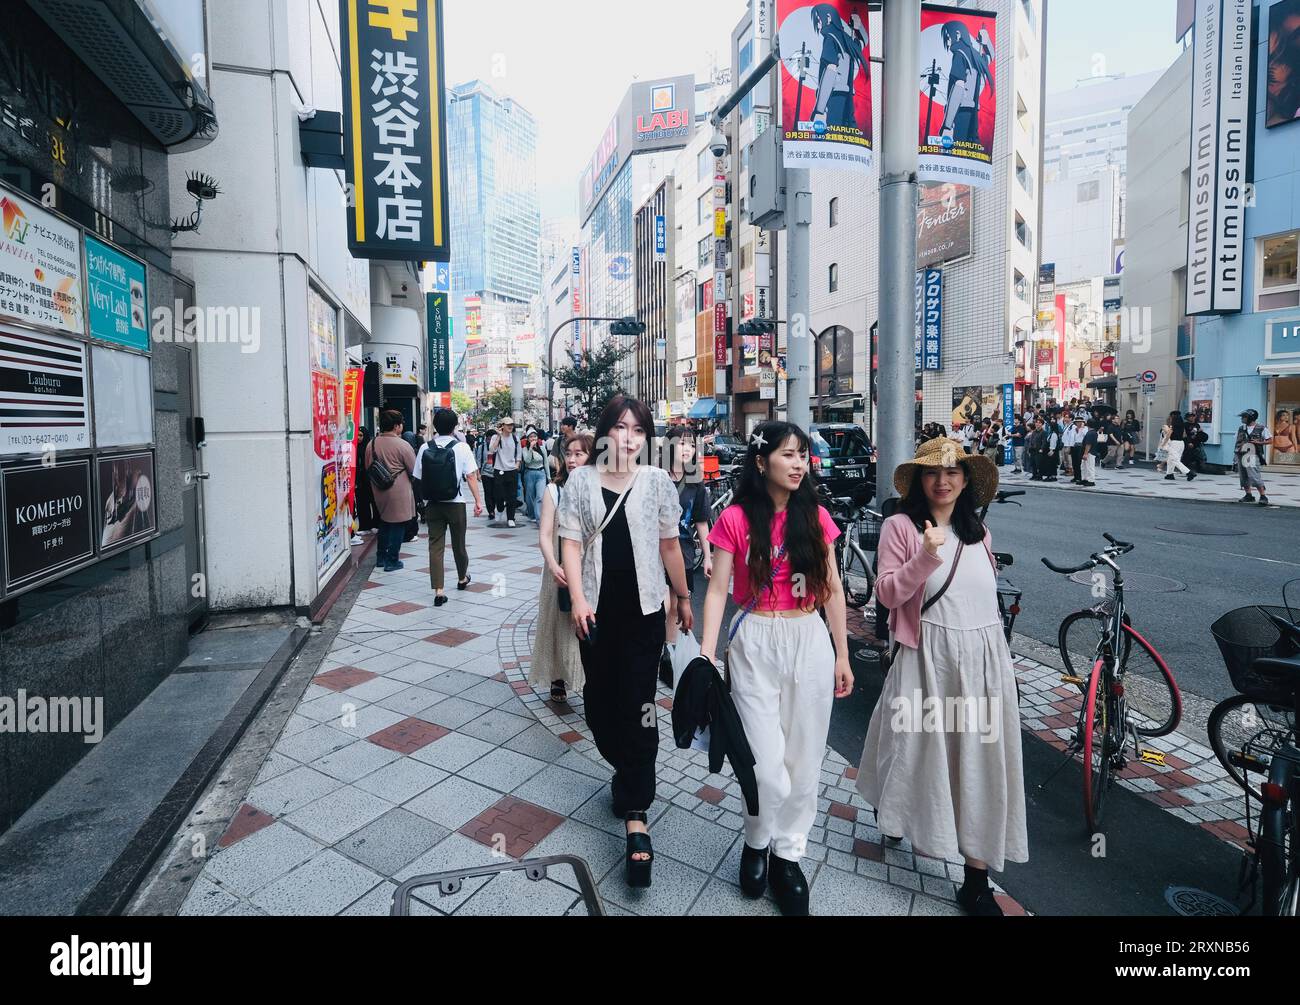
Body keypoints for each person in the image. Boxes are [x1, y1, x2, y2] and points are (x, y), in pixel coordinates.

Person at [856, 436, 1027, 916]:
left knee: (979, 761)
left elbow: (984, 600)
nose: (944, 480)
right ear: (920, 481)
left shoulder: (980, 533)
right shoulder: (900, 526)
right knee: (911, 748)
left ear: (967, 480)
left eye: (953, 472)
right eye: (933, 472)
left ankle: (975, 879)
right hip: (926, 655)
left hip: (983, 661)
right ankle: (893, 812)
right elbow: (887, 595)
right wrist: (926, 555)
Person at [699, 421, 853, 916]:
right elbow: (718, 590)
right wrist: (706, 654)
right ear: (762, 462)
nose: (798, 463)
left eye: (803, 455)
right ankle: (756, 838)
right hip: (754, 640)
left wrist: (843, 653)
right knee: (766, 768)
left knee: (805, 761)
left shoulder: (817, 517)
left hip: (808, 638)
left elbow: (832, 587)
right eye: (788, 454)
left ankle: (788, 854)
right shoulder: (736, 519)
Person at [558, 395, 692, 889]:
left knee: (639, 703)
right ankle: (625, 771)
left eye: (638, 430)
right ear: (604, 434)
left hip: (644, 613)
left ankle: (637, 818)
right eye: (620, 427)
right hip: (595, 610)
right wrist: (576, 598)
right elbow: (570, 542)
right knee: (599, 702)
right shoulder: (580, 481)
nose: (629, 438)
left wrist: (682, 595)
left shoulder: (657, 481)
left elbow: (669, 544)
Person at [531, 432, 593, 703]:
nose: (572, 459)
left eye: (579, 454)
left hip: (590, 567)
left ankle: (589, 676)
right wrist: (553, 564)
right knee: (558, 621)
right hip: (559, 568)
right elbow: (545, 534)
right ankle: (558, 677)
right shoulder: (554, 490)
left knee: (586, 621)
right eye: (568, 454)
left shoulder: (599, 489)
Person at [414, 408, 484, 606]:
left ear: (435, 426)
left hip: (433, 504)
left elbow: (417, 478)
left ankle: (439, 590)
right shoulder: (461, 448)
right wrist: (478, 502)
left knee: (435, 547)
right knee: (458, 544)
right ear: (455, 426)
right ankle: (462, 578)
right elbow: (471, 476)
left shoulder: (425, 447)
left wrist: (422, 503)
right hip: (455, 504)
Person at [661, 428, 713, 679]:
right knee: (664, 603)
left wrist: (708, 556)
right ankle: (658, 647)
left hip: (683, 551)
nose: (687, 449)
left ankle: (668, 652)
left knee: (674, 607)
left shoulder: (695, 481)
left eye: (691, 445)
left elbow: (701, 521)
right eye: (681, 443)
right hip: (655, 549)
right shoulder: (656, 475)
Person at [365, 409, 418, 572]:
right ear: (396, 426)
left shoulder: (371, 443)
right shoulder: (402, 445)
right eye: (400, 424)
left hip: (378, 488)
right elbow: (414, 469)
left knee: (385, 523)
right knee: (398, 524)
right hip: (398, 490)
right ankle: (392, 560)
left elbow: (368, 466)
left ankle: (380, 558)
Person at [489, 418, 523, 527]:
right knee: (499, 494)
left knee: (512, 496)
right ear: (502, 425)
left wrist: (517, 465)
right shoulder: (495, 437)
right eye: (508, 424)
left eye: (512, 425)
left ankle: (511, 518)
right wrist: (499, 436)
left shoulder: (515, 438)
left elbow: (519, 453)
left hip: (512, 470)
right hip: (499, 469)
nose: (510, 427)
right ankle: (499, 509)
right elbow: (492, 450)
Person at [1235, 408, 1272, 506]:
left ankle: (1263, 496)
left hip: (1253, 454)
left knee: (1254, 475)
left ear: (1251, 418)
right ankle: (1248, 495)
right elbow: (1237, 441)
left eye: (1244, 417)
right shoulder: (1241, 428)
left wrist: (1259, 442)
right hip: (1241, 454)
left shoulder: (1261, 428)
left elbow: (1270, 440)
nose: (1242, 418)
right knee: (1243, 476)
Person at [354, 426, 379, 536]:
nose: (359, 438)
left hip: (371, 480)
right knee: (361, 504)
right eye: (357, 435)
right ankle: (365, 525)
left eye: (361, 435)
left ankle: (376, 524)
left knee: (375, 502)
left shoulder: (370, 447)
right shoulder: (353, 448)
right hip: (359, 482)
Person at [521, 430, 548, 523]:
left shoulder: (542, 448)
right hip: (529, 473)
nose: (533, 438)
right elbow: (527, 461)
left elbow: (546, 463)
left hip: (541, 473)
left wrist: (548, 476)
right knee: (530, 497)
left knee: (540, 496)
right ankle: (532, 514)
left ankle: (539, 518)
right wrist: (530, 449)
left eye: (535, 436)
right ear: (528, 439)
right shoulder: (525, 449)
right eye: (531, 437)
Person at [1160, 410, 1193, 481]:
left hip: (1174, 443)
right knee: (1170, 459)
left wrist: (1163, 443)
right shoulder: (1182, 425)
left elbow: (1169, 434)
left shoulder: (1173, 425)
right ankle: (1169, 474)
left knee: (1174, 460)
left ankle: (1189, 472)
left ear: (1172, 416)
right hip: (1181, 443)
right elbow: (1184, 435)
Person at [473, 432, 498, 520]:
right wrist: (478, 473)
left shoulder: (498, 447)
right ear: (486, 438)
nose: (490, 441)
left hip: (496, 472)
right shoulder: (481, 447)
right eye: (488, 439)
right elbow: (478, 460)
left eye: (492, 439)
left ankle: (494, 507)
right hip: (485, 473)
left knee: (495, 493)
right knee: (488, 492)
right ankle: (491, 511)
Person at [1182, 413, 1209, 478]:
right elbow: (1184, 435)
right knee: (1187, 457)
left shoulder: (1197, 425)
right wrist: (1188, 442)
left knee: (1200, 457)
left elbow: (1199, 434)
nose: (1192, 418)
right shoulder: (1185, 425)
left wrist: (1200, 431)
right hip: (1189, 443)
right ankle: (1186, 470)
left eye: (1193, 416)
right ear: (1187, 418)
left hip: (1197, 443)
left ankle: (1199, 468)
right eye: (1190, 417)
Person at [1064, 416, 1087, 485]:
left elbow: (1084, 436)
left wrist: (1081, 429)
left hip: (1081, 446)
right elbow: (1070, 438)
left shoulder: (1085, 429)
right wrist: (1069, 447)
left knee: (1080, 463)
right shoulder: (1073, 429)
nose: (1078, 423)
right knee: (1074, 463)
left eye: (1080, 422)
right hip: (1074, 446)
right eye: (1077, 422)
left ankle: (1080, 477)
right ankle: (1076, 476)